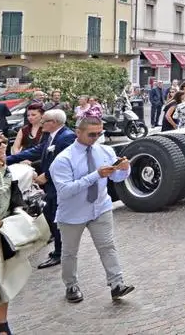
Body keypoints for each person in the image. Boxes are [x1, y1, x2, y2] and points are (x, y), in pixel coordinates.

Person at [50, 116, 135, 303]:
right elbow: (64, 191)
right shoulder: (63, 159)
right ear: (78, 132)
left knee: (107, 246)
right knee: (70, 252)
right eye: (91, 134)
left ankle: (116, 284)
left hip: (100, 207)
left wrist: (124, 169)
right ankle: (71, 285)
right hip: (73, 213)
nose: (96, 137)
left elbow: (117, 179)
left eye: (99, 133)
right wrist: (95, 175)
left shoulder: (105, 151)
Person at [5, 109, 76, 270]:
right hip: (50, 186)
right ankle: (60, 250)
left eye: (45, 121)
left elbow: (65, 162)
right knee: (50, 217)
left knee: (56, 219)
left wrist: (47, 175)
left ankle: (61, 253)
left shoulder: (67, 137)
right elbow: (37, 150)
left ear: (55, 123)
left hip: (58, 186)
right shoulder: (52, 136)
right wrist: (7, 159)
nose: (41, 123)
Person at [0, 131, 28, 335]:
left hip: (3, 232)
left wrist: (20, 214)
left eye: (4, 143)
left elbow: (15, 195)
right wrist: (4, 226)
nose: (2, 146)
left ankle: (0, 325)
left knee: (3, 279)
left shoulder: (4, 170)